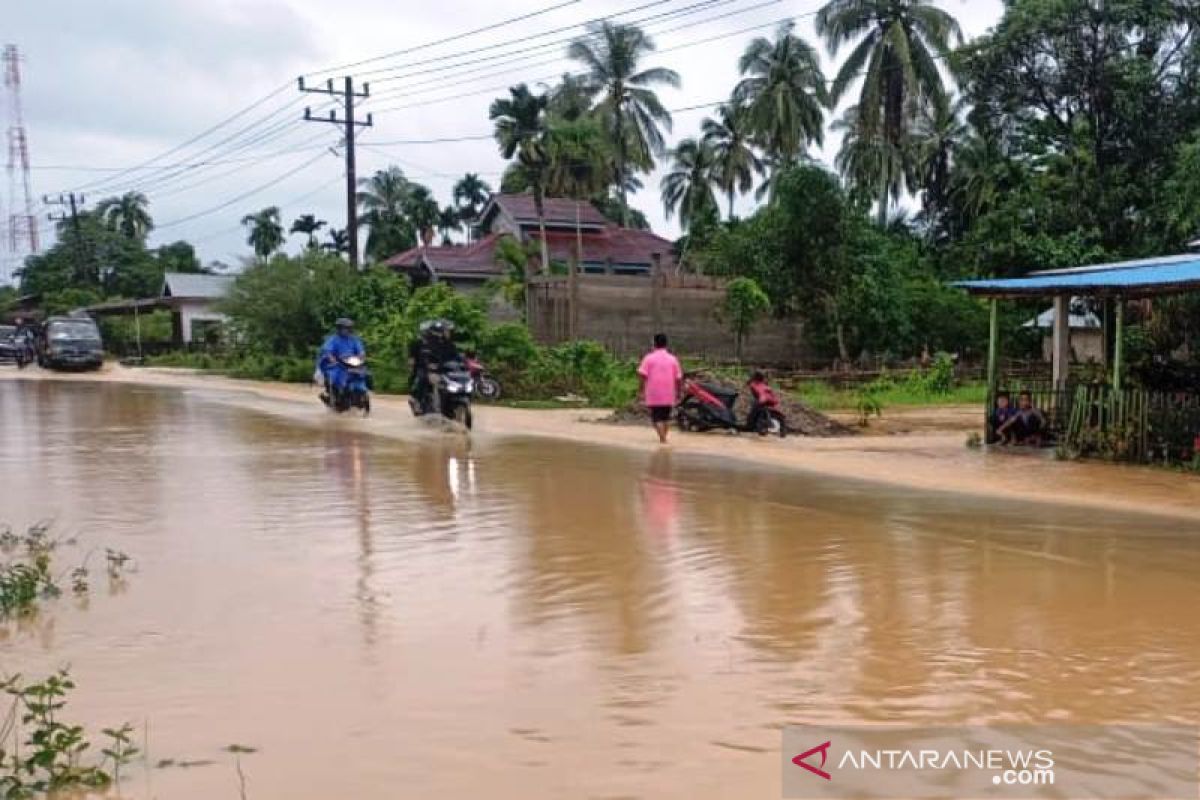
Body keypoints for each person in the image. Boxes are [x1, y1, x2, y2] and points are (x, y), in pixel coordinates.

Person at [637, 333, 683, 445]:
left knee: (656, 418)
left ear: (654, 343)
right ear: (666, 344)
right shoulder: (673, 359)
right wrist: (678, 391)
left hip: (654, 393)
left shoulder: (648, 358)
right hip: (669, 393)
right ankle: (663, 438)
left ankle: (663, 439)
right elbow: (678, 378)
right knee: (665, 417)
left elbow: (642, 375)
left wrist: (641, 390)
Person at [409, 319, 461, 413]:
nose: (447, 333)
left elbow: (456, 357)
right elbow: (414, 359)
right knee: (422, 378)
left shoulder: (448, 344)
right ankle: (417, 400)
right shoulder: (420, 343)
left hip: (444, 370)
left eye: (447, 331)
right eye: (445, 331)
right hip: (425, 369)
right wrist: (414, 367)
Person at [318, 318, 366, 405]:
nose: (347, 330)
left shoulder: (354, 339)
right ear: (339, 329)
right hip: (337, 364)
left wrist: (361, 356)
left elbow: (361, 350)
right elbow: (327, 350)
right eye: (345, 328)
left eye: (348, 328)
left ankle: (360, 393)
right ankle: (332, 395)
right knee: (334, 376)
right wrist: (332, 358)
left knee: (362, 374)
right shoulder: (333, 339)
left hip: (351, 364)